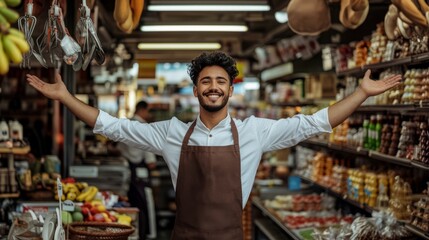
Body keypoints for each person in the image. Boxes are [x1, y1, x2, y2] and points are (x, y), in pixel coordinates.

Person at [26, 51, 402, 240]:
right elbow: (113, 126)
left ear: (230, 90)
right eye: (206, 81)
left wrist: (361, 94)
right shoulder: (171, 132)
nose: (213, 87)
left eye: (220, 81)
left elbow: (315, 123)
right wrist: (65, 97)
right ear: (195, 91)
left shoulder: (254, 132)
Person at [116, 100, 157, 239]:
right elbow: (151, 161)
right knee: (144, 207)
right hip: (140, 174)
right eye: (148, 111)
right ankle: (145, 234)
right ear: (143, 110)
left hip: (127, 172)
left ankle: (132, 233)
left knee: (131, 206)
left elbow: (119, 150)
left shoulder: (126, 125)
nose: (149, 114)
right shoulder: (145, 128)